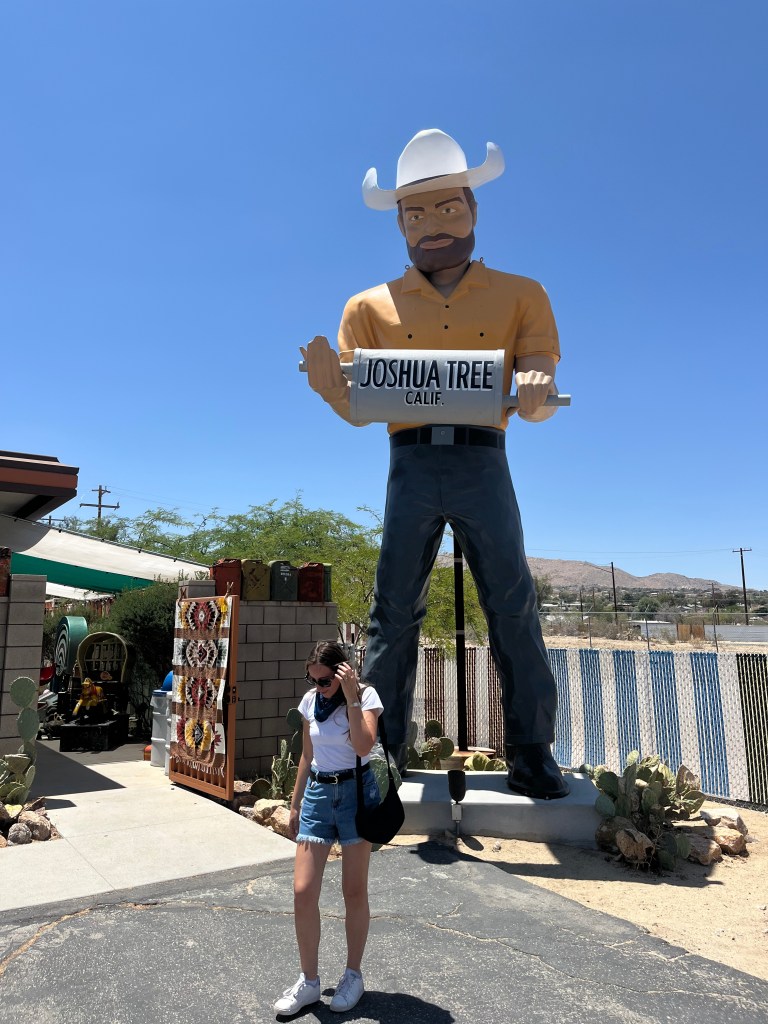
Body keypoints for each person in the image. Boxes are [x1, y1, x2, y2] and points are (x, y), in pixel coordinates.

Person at [302, 129, 569, 800]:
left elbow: (537, 388)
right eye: (416, 214)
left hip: (486, 461)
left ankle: (534, 753)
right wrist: (332, 387)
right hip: (410, 462)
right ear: (398, 223)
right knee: (393, 611)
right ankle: (379, 756)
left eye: (448, 208)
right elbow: (358, 405)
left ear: (473, 210)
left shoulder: (522, 294)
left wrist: (535, 391)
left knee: (512, 603)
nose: (433, 226)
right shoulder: (366, 309)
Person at [274, 640, 383, 1017]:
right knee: (303, 891)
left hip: (355, 793)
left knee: (354, 891)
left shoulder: (366, 697)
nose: (318, 686)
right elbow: (308, 753)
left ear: (342, 673)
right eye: (313, 679)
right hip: (319, 795)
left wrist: (351, 696)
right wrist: (294, 801)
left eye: (325, 680)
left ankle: (353, 974)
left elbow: (364, 744)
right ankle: (309, 982)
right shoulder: (309, 702)